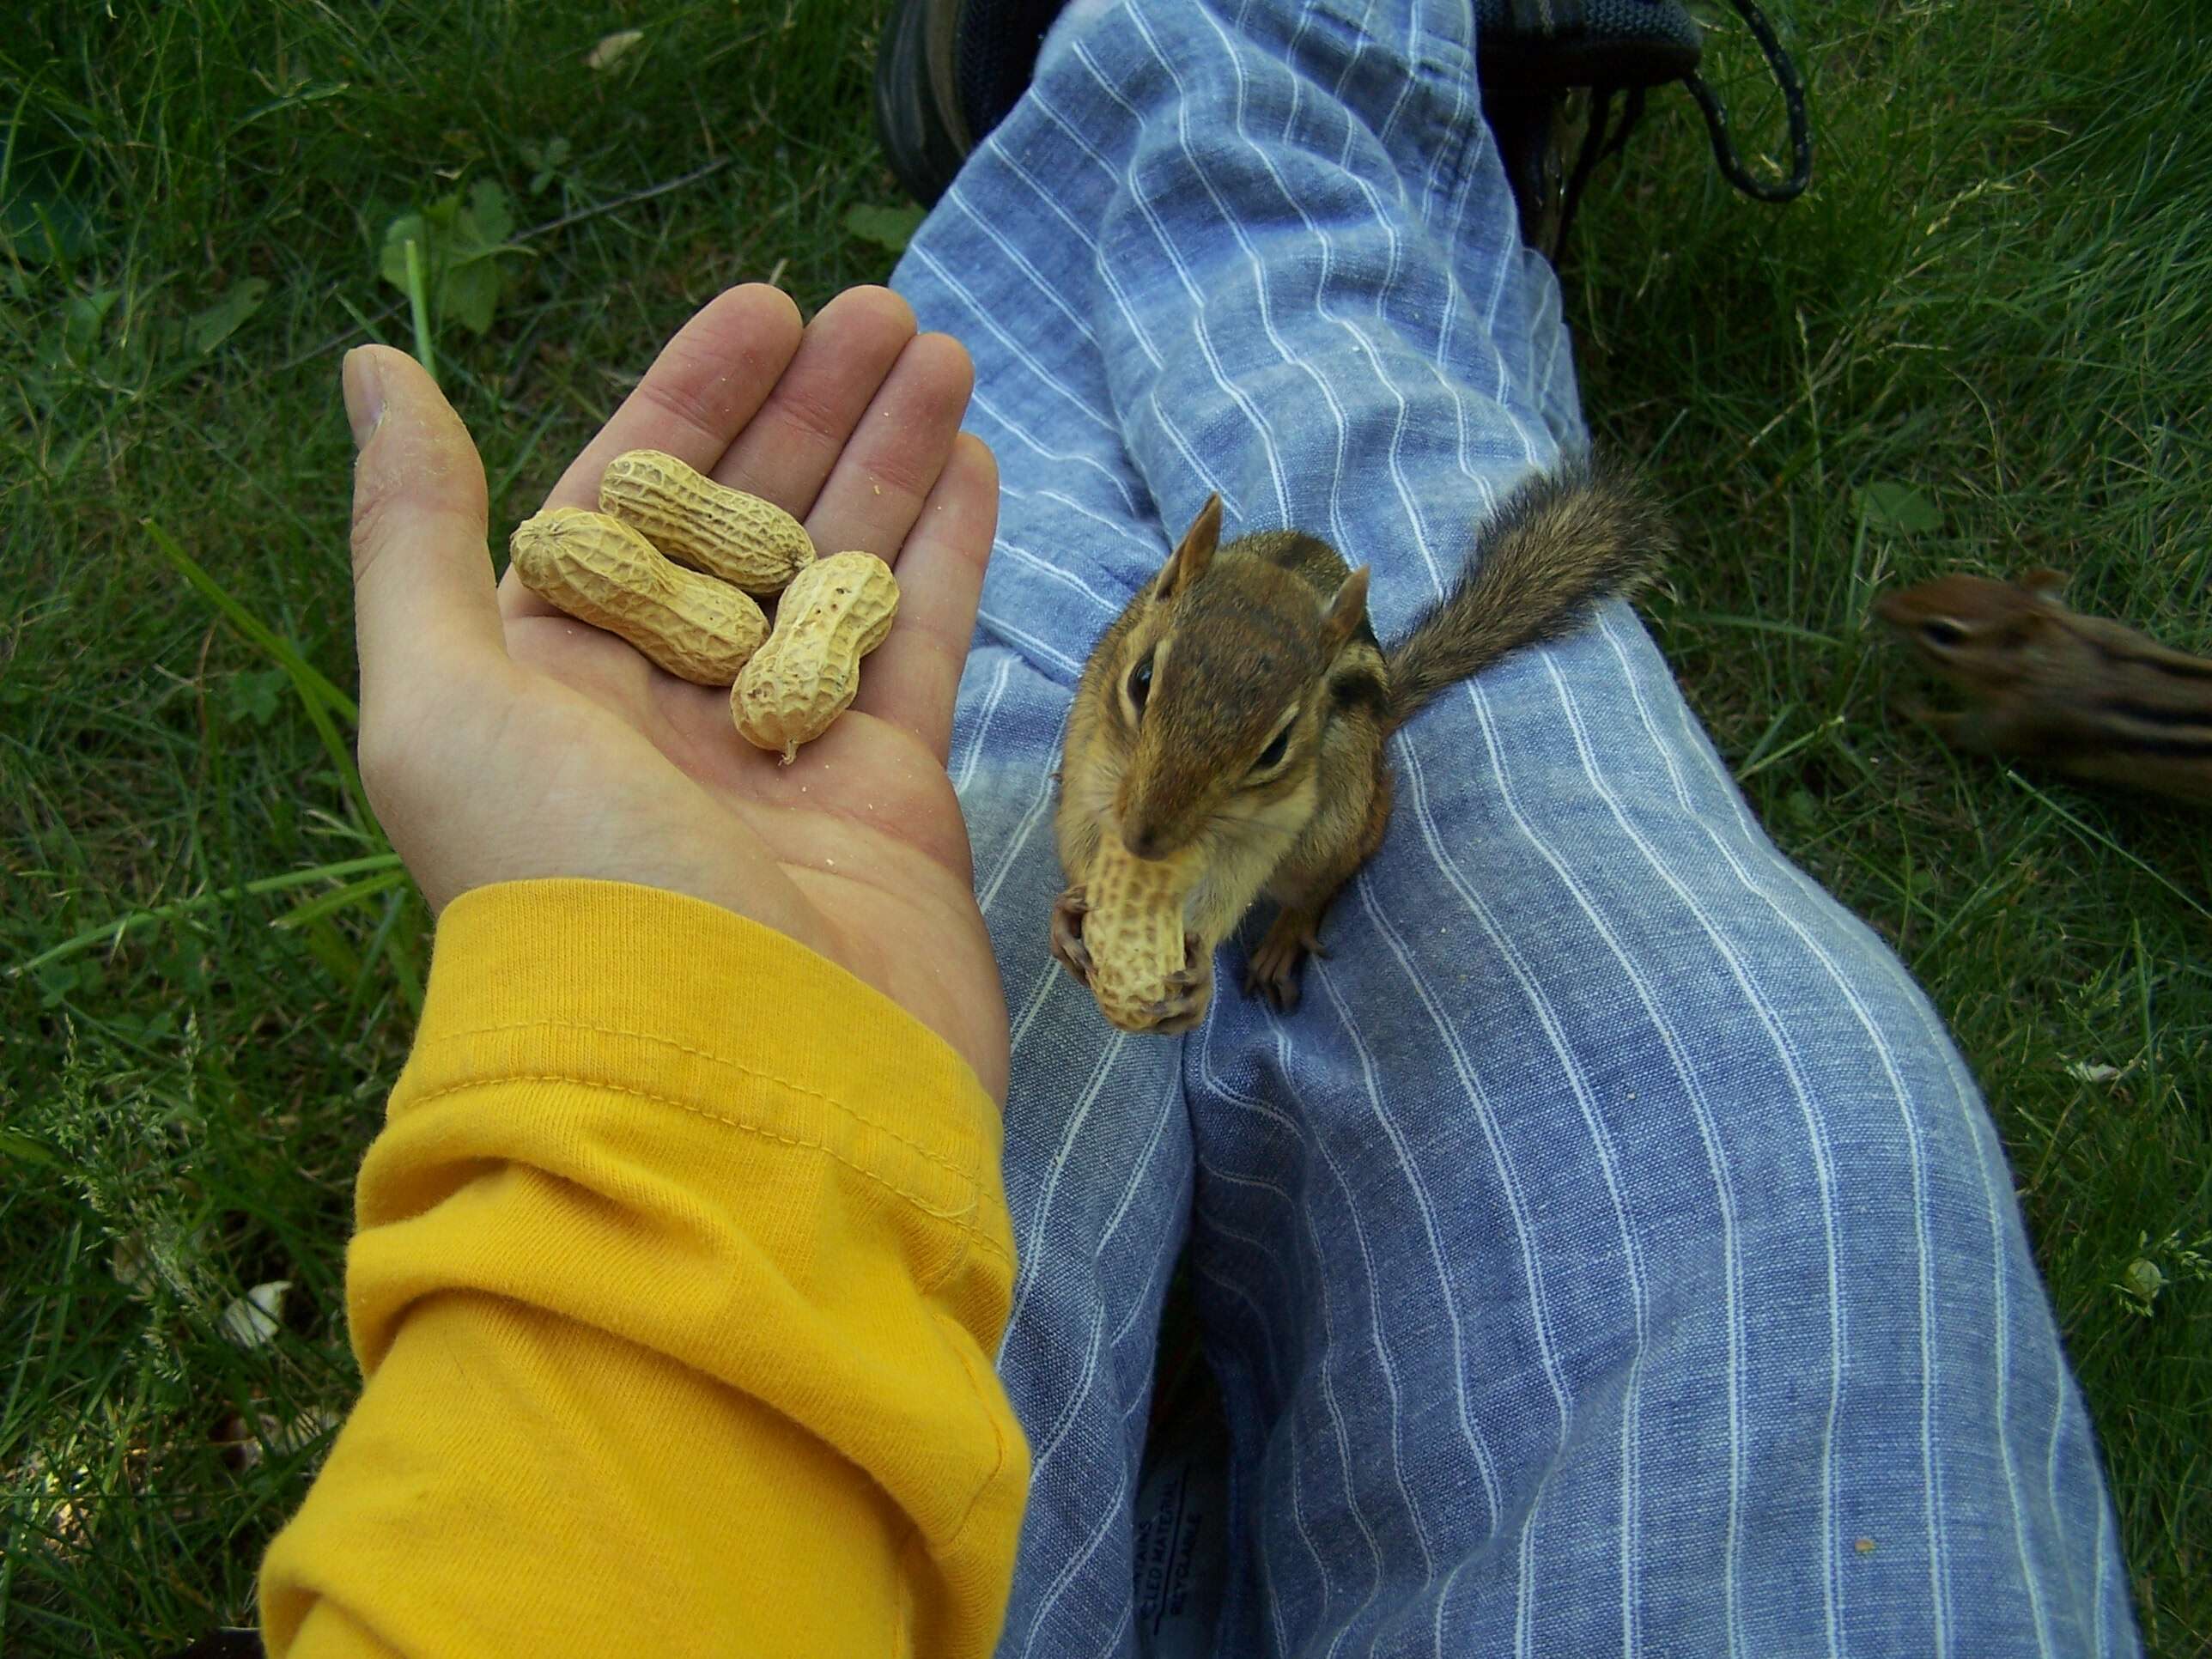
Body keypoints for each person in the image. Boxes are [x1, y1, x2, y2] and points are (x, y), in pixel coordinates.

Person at [258, 2, 2140, 1654]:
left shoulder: (1322, 734)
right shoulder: (1132, 680)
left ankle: (1156, 104)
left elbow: (1247, 822)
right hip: (1166, 656)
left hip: (1251, 798)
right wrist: (1096, 869)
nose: (1148, 788)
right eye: (1143, 698)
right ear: (1159, 617)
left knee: (1018, 628)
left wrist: (701, 1065)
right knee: (1814, 1146)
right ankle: (1275, 90)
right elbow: (1127, 776)